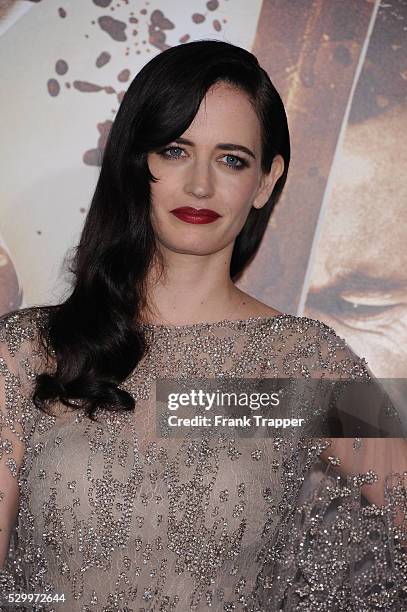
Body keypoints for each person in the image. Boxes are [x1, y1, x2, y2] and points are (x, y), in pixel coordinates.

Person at [0, 39, 406, 611]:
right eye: (174, 150)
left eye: (231, 159)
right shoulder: (27, 352)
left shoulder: (307, 362)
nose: (200, 185)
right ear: (136, 161)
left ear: (266, 180)